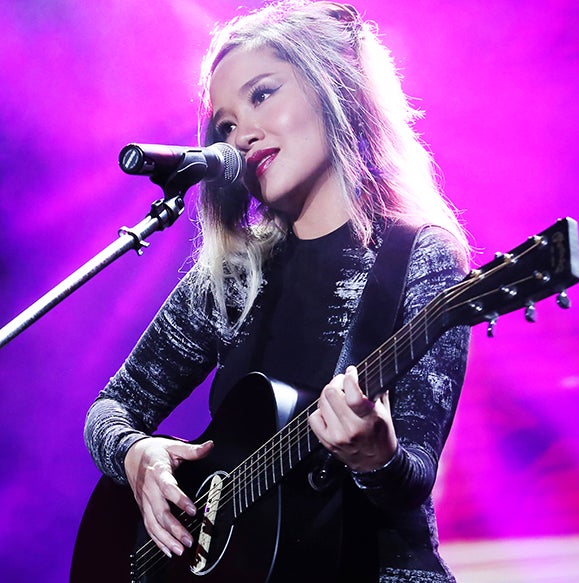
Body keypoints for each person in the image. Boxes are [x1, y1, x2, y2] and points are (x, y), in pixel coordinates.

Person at [84, 1, 471, 581]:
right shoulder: (235, 275)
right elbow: (110, 409)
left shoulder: (420, 256)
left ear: (332, 86)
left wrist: (377, 458)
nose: (242, 136)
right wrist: (135, 456)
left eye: (262, 95)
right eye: (225, 127)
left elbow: (410, 479)